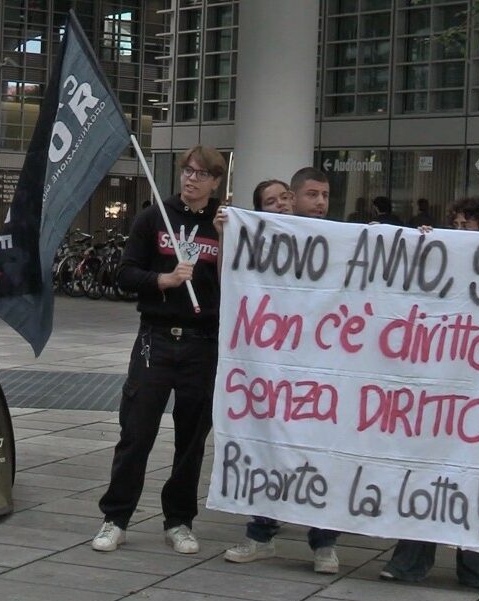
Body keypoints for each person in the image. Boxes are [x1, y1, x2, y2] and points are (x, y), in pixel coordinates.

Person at [92, 145, 225, 555]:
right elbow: (125, 274)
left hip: (203, 342)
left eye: (201, 174)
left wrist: (225, 239)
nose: (191, 179)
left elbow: (242, 282)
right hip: (157, 338)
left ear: (216, 181)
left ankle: (180, 520)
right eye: (187, 171)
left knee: (192, 438)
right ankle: (116, 517)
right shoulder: (155, 217)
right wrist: (163, 281)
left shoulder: (225, 224)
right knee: (136, 431)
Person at [380, 196, 479, 593]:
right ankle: (410, 561)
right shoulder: (436, 260)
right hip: (435, 391)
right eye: (454, 222)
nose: (458, 229)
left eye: (467, 223)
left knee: (477, 477)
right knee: (426, 470)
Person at [223, 167, 341, 574]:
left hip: (323, 371)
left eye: (325, 195)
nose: (320, 203)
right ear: (295, 197)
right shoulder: (266, 240)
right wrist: (229, 233)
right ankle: (261, 534)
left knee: (320, 455)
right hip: (275, 367)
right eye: (312, 195)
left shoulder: (344, 240)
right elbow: (235, 277)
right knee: (267, 445)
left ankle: (323, 543)